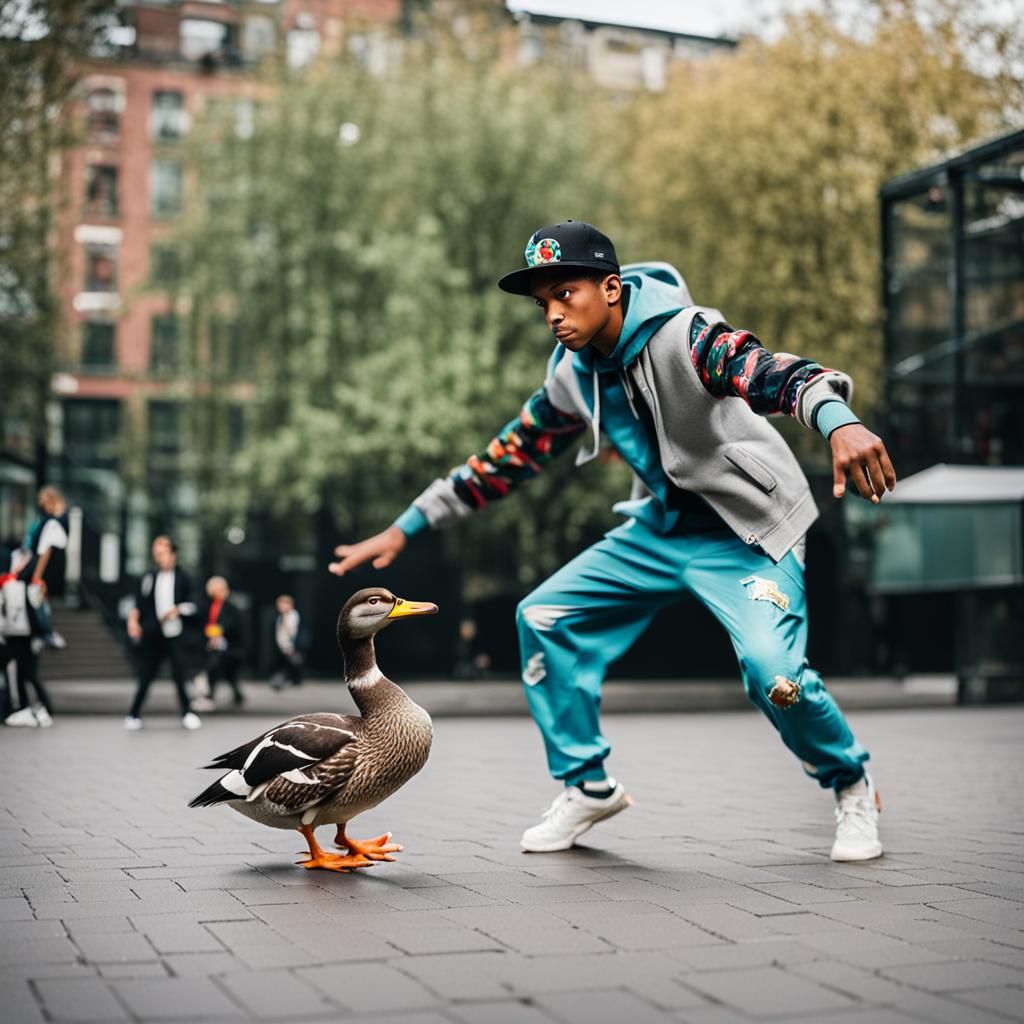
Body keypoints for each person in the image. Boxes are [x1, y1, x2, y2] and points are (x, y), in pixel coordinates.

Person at [329, 220, 898, 862]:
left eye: (565, 293)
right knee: (543, 616)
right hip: (659, 530)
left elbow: (766, 371)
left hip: (747, 533)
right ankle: (587, 786)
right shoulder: (571, 375)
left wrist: (838, 421)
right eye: (542, 303)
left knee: (776, 676)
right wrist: (406, 526)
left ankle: (851, 782)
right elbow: (507, 458)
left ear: (610, 288)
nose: (553, 314)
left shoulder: (689, 337)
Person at [124, 535, 201, 730]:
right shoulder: (149, 576)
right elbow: (139, 602)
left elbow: (195, 603)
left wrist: (178, 609)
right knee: (146, 674)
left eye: (163, 552)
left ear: (173, 554)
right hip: (153, 633)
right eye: (156, 553)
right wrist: (133, 621)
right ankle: (133, 714)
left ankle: (188, 713)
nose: (159, 556)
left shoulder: (184, 576)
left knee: (179, 674)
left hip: (175, 633)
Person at [1, 549, 55, 727]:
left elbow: (38, 612)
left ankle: (32, 708)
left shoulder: (27, 584)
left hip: (22, 635)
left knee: (26, 673)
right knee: (22, 674)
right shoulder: (11, 582)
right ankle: (25, 707)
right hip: (15, 634)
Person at [23, 486, 69, 649]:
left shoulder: (52, 523)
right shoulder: (51, 521)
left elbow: (45, 551)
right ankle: (43, 633)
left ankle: (45, 632)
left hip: (45, 571)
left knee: (39, 600)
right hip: (46, 569)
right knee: (40, 600)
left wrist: (37, 575)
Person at [201, 576, 245, 707]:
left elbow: (232, 626)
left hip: (229, 647)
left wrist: (218, 634)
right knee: (221, 670)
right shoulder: (208, 606)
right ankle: (232, 695)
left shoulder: (231, 608)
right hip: (212, 644)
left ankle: (211, 695)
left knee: (219, 668)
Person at [269, 594, 305, 689]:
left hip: (291, 645)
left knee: (292, 663)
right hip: (281, 644)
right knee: (283, 663)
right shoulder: (279, 617)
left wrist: (285, 616)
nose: (281, 607)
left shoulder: (293, 615)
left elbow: (291, 631)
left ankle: (294, 680)